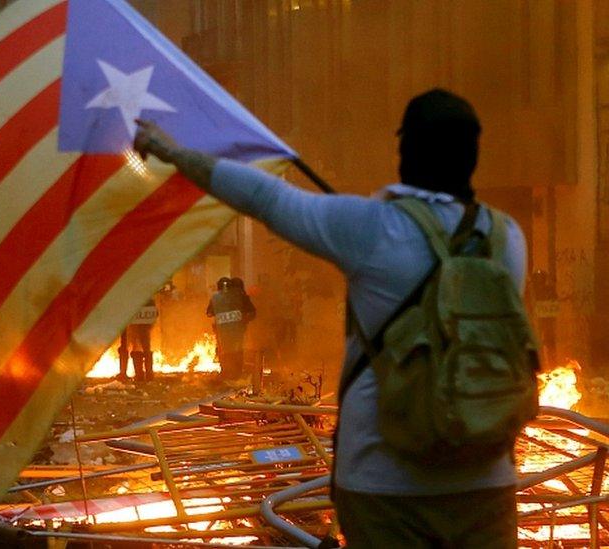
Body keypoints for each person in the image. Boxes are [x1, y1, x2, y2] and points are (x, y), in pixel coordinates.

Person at [134, 89, 524, 548]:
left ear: (404, 151)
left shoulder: (370, 227)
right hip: (486, 483)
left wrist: (172, 151)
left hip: (384, 487)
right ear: (473, 155)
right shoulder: (507, 238)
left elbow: (264, 197)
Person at [206, 277, 255, 380]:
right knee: (237, 350)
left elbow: (209, 313)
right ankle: (236, 373)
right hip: (237, 331)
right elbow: (251, 312)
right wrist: (245, 319)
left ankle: (226, 372)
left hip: (221, 331)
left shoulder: (215, 297)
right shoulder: (240, 296)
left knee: (223, 351)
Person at [126, 298, 158, 382]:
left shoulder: (134, 298)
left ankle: (141, 375)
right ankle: (147, 374)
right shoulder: (148, 298)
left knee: (138, 347)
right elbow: (154, 313)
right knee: (145, 348)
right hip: (143, 326)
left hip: (138, 326)